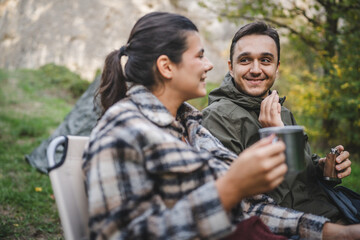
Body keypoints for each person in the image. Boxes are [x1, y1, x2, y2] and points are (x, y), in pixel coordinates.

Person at [82, 12, 360, 239]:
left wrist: (334, 232)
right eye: (200, 56)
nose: (208, 65)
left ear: (278, 67)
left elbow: (251, 207)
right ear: (167, 67)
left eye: (265, 60)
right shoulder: (121, 133)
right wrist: (230, 187)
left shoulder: (192, 127)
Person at [202, 21, 353, 223]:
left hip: (328, 210)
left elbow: (300, 173)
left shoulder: (283, 112)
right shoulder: (217, 117)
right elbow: (244, 201)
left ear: (277, 67)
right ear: (231, 67)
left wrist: (322, 168)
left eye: (265, 60)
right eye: (245, 60)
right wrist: (276, 138)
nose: (255, 70)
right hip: (294, 226)